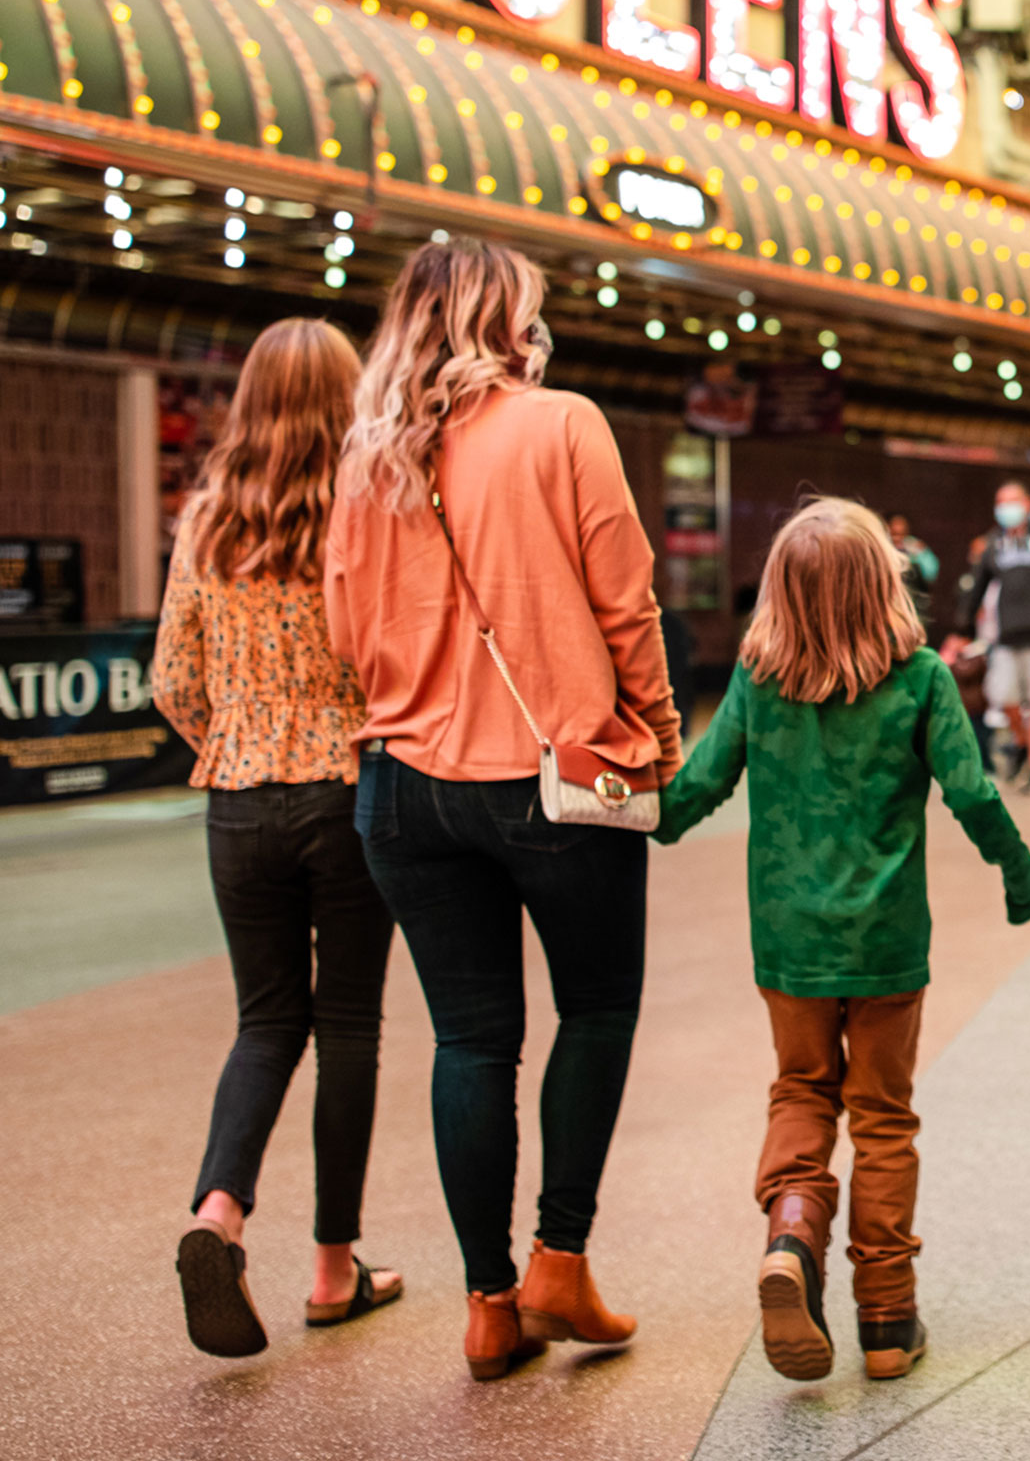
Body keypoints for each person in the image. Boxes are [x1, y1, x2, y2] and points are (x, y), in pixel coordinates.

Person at [324, 237, 683, 1382]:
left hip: (401, 790)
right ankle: (558, 1265)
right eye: (531, 309)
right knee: (597, 1010)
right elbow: (627, 601)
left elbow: (341, 634)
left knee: (470, 1038)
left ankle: (487, 1304)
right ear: (503, 320)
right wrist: (660, 741)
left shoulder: (365, 460)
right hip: (556, 780)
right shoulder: (561, 422)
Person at [660, 498, 1030, 1383]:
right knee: (881, 1118)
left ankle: (792, 1234)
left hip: (789, 943)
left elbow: (702, 783)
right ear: (885, 583)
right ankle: (885, 1318)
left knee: (801, 1090)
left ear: (780, 595)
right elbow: (975, 794)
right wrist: (1019, 875)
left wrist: (643, 816)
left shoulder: (758, 681)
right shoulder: (920, 680)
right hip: (885, 945)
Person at [155, 318, 401, 1359]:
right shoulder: (369, 510)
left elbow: (173, 679)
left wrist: (244, 736)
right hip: (348, 792)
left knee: (266, 1025)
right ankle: (334, 1270)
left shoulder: (208, 516)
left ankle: (219, 1213)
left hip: (237, 797)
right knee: (348, 1027)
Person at [949, 481, 1030, 792]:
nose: (1006, 508)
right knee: (1003, 697)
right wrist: (961, 630)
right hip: (1007, 638)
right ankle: (1022, 743)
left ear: (1028, 503)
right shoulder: (994, 545)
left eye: (1012, 501)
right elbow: (976, 589)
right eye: (1001, 502)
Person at [885, 512, 941, 620]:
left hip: (912, 601)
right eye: (895, 534)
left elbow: (931, 573)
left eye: (901, 534)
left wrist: (921, 553)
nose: (898, 538)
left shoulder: (915, 548)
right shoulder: (884, 548)